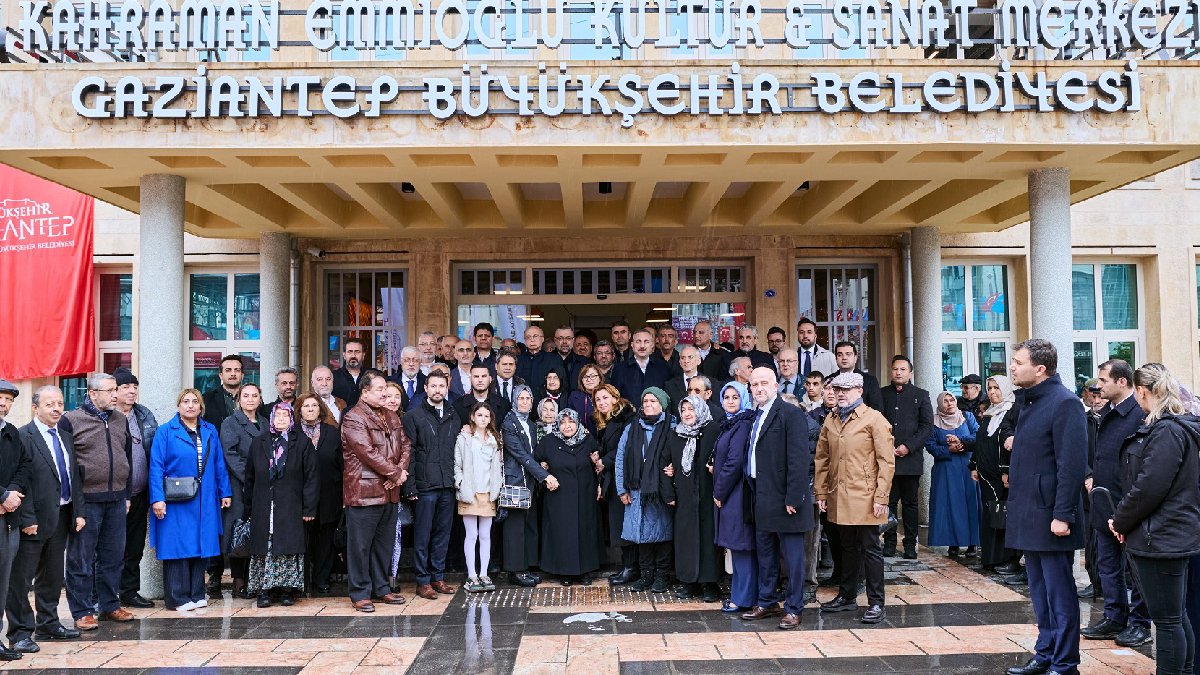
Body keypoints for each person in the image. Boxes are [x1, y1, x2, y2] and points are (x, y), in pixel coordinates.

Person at [1109, 363, 1200, 675]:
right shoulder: (1171, 428)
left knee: (1169, 620)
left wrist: (1119, 521)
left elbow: (1148, 488)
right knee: (1175, 617)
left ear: (1141, 391)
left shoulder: (1168, 431)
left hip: (1162, 538)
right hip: (1165, 535)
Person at [1004, 339, 1087, 675]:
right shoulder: (1030, 401)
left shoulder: (1064, 403)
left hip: (1051, 514)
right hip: (1029, 512)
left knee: (1059, 592)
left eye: (1017, 361)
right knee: (1039, 590)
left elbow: (1072, 465)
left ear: (1039, 368)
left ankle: (1065, 661)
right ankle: (1046, 652)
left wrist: (1062, 515)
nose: (1011, 367)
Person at [7, 386, 82, 656]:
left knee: (52, 575)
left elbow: (73, 475)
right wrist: (26, 517)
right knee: (21, 579)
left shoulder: (64, 435)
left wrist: (78, 512)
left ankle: (49, 623)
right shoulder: (23, 436)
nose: (56, 408)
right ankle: (20, 632)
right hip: (33, 518)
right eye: (50, 404)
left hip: (60, 515)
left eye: (60, 403)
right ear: (35, 407)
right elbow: (20, 478)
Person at [1082, 360, 1153, 646]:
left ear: (1122, 382)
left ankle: (1140, 623)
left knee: (1134, 569)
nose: (1098, 386)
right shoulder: (1107, 411)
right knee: (1107, 564)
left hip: (1127, 503)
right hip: (1104, 499)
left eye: (1103, 380)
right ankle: (1114, 617)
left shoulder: (1138, 412)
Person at [816, 372, 895, 625]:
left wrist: (882, 496)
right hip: (839, 495)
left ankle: (876, 603)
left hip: (867, 496)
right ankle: (847, 596)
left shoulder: (874, 419)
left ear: (859, 391)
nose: (840, 393)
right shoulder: (831, 420)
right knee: (846, 546)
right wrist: (821, 491)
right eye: (837, 388)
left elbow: (886, 461)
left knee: (870, 548)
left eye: (846, 389)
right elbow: (822, 459)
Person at [738, 368, 814, 630]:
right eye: (754, 384)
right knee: (766, 554)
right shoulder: (756, 415)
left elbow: (798, 458)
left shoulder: (790, 413)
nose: (758, 388)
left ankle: (794, 608)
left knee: (792, 558)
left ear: (775, 385)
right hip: (761, 495)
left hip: (786, 498)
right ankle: (767, 600)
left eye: (763, 383)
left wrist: (794, 496)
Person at [149, 389, 233, 613]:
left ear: (201, 406)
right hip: (175, 499)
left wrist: (225, 492)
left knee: (200, 545)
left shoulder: (209, 430)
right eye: (185, 401)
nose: (190, 405)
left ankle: (197, 593)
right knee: (177, 547)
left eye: (195, 401)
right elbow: (156, 467)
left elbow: (218, 464)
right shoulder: (165, 432)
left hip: (204, 498)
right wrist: (157, 499)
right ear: (178, 406)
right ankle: (177, 597)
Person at [61, 373, 133, 630]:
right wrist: (75, 504)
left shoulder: (120, 419)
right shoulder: (71, 420)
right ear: (92, 393)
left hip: (115, 498)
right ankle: (82, 610)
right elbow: (67, 464)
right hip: (86, 502)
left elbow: (127, 458)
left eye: (116, 389)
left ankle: (110, 605)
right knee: (81, 558)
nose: (116, 394)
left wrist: (125, 494)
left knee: (113, 556)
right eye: (110, 390)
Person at [341, 371, 411, 612]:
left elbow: (406, 444)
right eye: (379, 389)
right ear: (365, 391)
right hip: (364, 491)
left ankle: (381, 588)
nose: (385, 393)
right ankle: (360, 593)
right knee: (360, 546)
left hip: (390, 491)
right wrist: (394, 473)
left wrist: (399, 472)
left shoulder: (391, 415)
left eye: (385, 389)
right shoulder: (354, 417)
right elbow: (366, 452)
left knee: (384, 544)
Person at [244, 403, 318, 607]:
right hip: (263, 504)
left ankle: (287, 590)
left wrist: (309, 508)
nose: (282, 419)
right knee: (265, 546)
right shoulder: (259, 442)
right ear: (271, 418)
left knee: (287, 546)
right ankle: (264, 590)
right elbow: (250, 476)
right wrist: (248, 507)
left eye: (286, 416)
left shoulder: (302, 443)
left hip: (291, 505)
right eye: (278, 415)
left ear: (292, 419)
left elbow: (312, 477)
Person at [402, 371, 460, 600]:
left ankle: (438, 576)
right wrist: (410, 487)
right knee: (423, 535)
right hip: (425, 486)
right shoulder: (413, 416)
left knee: (442, 534)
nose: (437, 390)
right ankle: (423, 580)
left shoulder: (454, 416)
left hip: (447, 484)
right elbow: (410, 454)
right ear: (425, 388)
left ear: (447, 388)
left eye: (441, 386)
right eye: (433, 386)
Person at [614, 388, 674, 593]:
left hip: (661, 490)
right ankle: (646, 575)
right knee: (642, 535)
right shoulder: (632, 427)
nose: (648, 404)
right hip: (637, 490)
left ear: (662, 404)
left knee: (663, 533)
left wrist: (673, 467)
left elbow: (679, 452)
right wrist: (622, 489)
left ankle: (662, 576)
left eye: (653, 401)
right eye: (645, 400)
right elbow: (621, 458)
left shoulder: (672, 425)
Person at [662, 396, 720, 602]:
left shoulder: (713, 430)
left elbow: (721, 458)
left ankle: (709, 584)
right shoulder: (676, 434)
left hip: (708, 496)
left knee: (707, 539)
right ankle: (688, 582)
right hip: (684, 497)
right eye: (684, 409)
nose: (687, 413)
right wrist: (669, 493)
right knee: (685, 539)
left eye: (691, 409)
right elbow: (665, 463)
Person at [110, 368, 159, 609]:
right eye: (125, 387)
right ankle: (106, 596)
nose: (131, 391)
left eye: (134, 387)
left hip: (140, 494)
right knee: (110, 548)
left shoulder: (144, 415)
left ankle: (129, 591)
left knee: (134, 546)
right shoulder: (105, 417)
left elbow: (156, 452)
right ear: (114, 391)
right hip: (114, 496)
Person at [535, 409, 601, 585]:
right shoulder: (548, 441)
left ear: (578, 423)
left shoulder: (587, 440)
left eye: (571, 422)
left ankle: (585, 571)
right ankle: (564, 571)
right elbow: (536, 463)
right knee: (562, 532)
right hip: (559, 497)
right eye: (563, 422)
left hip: (585, 494)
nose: (567, 426)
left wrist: (600, 483)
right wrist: (544, 472)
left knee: (585, 531)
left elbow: (598, 464)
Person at [880, 356, 933, 560]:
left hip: (910, 459)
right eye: (895, 369)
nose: (898, 373)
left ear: (910, 373)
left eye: (903, 369)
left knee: (910, 504)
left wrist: (908, 446)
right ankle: (890, 542)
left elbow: (926, 426)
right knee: (889, 502)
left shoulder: (921, 395)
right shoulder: (883, 394)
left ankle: (911, 544)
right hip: (887, 458)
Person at [711, 383, 758, 613]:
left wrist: (719, 492)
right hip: (732, 493)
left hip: (736, 494)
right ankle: (741, 595)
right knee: (738, 548)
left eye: (735, 397)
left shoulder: (742, 424)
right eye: (726, 397)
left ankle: (743, 599)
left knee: (741, 548)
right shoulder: (731, 423)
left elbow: (734, 462)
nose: (730, 401)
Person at [500, 386, 552, 588]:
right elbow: (520, 454)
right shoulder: (509, 422)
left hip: (529, 481)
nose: (524, 402)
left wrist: (543, 464)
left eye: (527, 398)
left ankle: (526, 567)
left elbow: (533, 454)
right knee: (515, 528)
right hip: (515, 481)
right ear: (514, 400)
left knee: (528, 525)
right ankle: (515, 571)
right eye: (520, 398)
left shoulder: (530, 424)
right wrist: (543, 474)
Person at [969, 375, 1021, 574]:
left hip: (1002, 476)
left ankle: (1008, 558)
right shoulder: (991, 412)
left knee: (1004, 516)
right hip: (986, 475)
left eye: (997, 388)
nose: (992, 392)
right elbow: (982, 441)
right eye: (989, 388)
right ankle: (990, 558)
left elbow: (1011, 444)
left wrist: (1007, 471)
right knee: (991, 516)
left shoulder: (1013, 411)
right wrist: (973, 465)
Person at [217, 382, 264, 599]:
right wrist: (251, 477)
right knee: (238, 530)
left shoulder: (264, 422)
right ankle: (238, 580)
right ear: (239, 399)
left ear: (260, 399)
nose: (250, 399)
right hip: (240, 485)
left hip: (263, 486)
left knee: (257, 531)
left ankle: (255, 578)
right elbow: (230, 454)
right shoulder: (230, 422)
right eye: (246, 395)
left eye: (254, 395)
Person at [295, 393, 343, 596]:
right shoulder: (293, 433)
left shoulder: (332, 432)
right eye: (306, 406)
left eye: (315, 405)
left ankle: (322, 579)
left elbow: (341, 464)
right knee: (304, 539)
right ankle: (302, 579)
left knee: (325, 540)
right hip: (300, 496)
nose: (311, 409)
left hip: (329, 494)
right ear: (299, 410)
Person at [454, 403, 504, 593]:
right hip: (470, 492)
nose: (483, 419)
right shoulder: (464, 438)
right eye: (479, 415)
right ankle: (472, 575)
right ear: (472, 417)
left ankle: (484, 573)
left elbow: (498, 467)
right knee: (471, 535)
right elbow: (456, 464)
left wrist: (496, 488)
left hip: (488, 492)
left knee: (485, 535)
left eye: (487, 416)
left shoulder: (494, 439)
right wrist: (460, 482)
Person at [592, 385, 637, 585]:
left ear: (614, 397)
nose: (602, 402)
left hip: (623, 478)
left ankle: (631, 568)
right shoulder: (607, 421)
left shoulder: (625, 418)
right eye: (598, 400)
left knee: (624, 524)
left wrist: (603, 461)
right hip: (611, 478)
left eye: (605, 398)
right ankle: (625, 566)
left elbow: (624, 448)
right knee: (618, 524)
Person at [928, 392, 981, 557]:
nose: (950, 403)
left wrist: (961, 442)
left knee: (970, 502)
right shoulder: (933, 421)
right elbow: (930, 445)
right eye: (945, 401)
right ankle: (953, 542)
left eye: (952, 400)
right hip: (946, 468)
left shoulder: (967, 416)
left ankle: (973, 542)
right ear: (939, 404)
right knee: (949, 504)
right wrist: (948, 449)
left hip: (967, 467)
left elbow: (978, 436)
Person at [0, 380, 31, 661]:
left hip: (8, 517)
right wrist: (2, 496)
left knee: (3, 581)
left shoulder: (11, 432)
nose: (3, 403)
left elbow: (23, 466)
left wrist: (11, 495)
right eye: (0, 397)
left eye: (8, 399)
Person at [830, 341, 883, 411]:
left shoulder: (869, 381)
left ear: (855, 357)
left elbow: (877, 410)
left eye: (848, 354)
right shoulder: (829, 380)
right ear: (836, 359)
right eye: (840, 355)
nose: (844, 358)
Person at [203, 355, 244, 429]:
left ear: (242, 375)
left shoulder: (253, 398)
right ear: (221, 375)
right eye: (228, 370)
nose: (233, 374)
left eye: (237, 370)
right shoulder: (207, 399)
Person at [693, 320, 732, 386]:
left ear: (711, 335)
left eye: (701, 332)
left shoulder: (722, 354)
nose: (696, 335)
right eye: (694, 332)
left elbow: (727, 379)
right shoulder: (688, 354)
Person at [551, 325, 588, 393]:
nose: (564, 342)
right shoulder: (546, 361)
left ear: (573, 340)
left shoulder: (584, 363)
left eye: (568, 338)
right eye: (560, 338)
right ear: (555, 341)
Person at [333, 338, 367, 409]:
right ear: (344, 355)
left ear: (363, 355)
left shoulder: (372, 376)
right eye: (350, 352)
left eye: (357, 352)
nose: (353, 355)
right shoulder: (333, 378)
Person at [665, 346, 702, 412]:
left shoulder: (710, 383)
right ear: (679, 362)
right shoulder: (670, 385)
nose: (686, 361)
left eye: (690, 357)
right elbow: (668, 412)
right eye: (683, 358)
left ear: (699, 361)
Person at [568, 364, 604, 431]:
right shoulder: (575, 397)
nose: (589, 379)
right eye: (585, 377)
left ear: (600, 378)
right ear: (581, 380)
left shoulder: (607, 394)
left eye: (593, 376)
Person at [390, 347, 426, 411]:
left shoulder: (426, 382)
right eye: (407, 360)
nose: (411, 364)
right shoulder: (390, 381)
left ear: (420, 362)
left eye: (415, 360)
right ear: (401, 362)